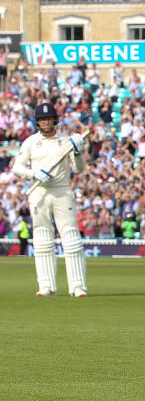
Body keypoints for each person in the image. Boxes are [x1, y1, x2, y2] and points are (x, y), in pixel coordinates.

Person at [12, 103, 88, 297]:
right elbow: (17, 167)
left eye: (49, 119)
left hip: (62, 191)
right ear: (37, 122)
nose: (46, 122)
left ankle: (77, 286)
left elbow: (79, 168)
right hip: (40, 192)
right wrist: (33, 173)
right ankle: (47, 286)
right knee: (43, 239)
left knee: (71, 238)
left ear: (55, 120)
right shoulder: (30, 142)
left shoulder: (66, 141)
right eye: (42, 119)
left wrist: (78, 152)